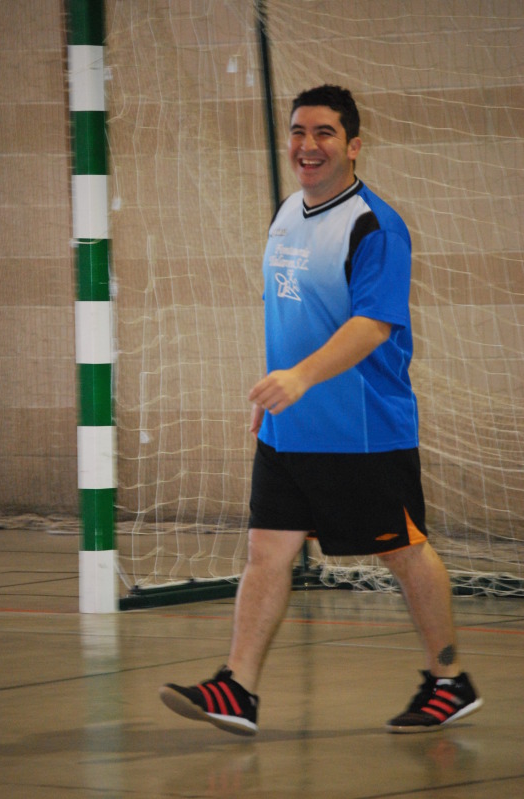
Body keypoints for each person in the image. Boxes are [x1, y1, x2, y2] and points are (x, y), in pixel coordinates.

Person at [159, 85, 483, 736]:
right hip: (290, 429)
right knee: (266, 552)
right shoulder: (287, 212)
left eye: (324, 133)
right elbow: (291, 314)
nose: (307, 145)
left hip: (360, 431)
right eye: (298, 132)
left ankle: (448, 680)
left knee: (403, 551)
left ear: (353, 145)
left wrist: (301, 378)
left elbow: (374, 323)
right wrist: (276, 394)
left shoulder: (373, 225)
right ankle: (237, 688)